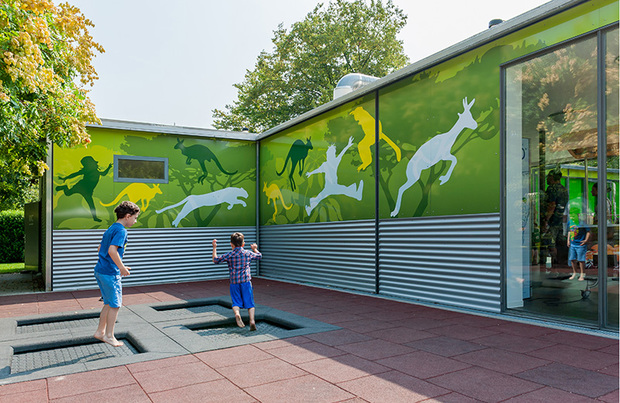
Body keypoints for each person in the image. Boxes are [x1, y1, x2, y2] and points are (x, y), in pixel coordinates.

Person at [93, 201, 140, 347]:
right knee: (115, 305)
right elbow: (112, 250)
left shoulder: (111, 228)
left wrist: (117, 265)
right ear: (127, 216)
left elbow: (100, 247)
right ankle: (109, 335)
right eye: (135, 217)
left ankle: (100, 332)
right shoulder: (121, 231)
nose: (135, 220)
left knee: (108, 302)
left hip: (101, 270)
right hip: (110, 273)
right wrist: (121, 268)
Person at [212, 232, 262, 331]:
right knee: (250, 302)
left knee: (236, 302)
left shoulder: (230, 254)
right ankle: (252, 321)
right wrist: (254, 249)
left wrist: (214, 247)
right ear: (243, 244)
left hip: (234, 282)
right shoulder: (247, 253)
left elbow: (215, 260)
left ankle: (237, 314)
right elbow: (259, 256)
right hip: (246, 281)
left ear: (231, 244)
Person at [541, 170, 568, 269]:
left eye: (548, 176)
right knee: (560, 243)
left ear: (552, 178)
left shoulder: (552, 189)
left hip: (553, 221)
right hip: (562, 221)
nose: (547, 178)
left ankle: (553, 264)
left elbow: (552, 205)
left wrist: (546, 220)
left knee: (550, 243)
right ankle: (561, 265)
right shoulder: (564, 189)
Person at [567, 217, 592, 281]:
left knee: (581, 259)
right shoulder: (570, 222)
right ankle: (574, 273)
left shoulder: (582, 222)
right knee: (572, 259)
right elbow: (569, 231)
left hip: (580, 244)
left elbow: (588, 231)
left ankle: (582, 274)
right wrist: (568, 240)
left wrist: (586, 240)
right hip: (573, 243)